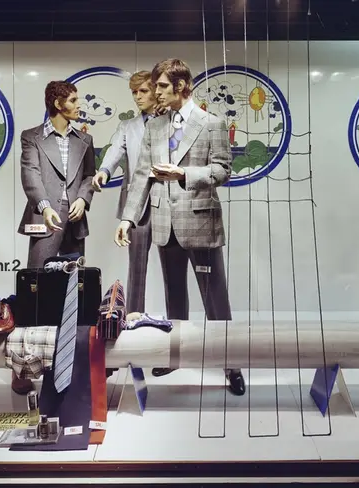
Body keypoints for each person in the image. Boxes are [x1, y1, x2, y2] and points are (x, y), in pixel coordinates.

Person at [114, 58, 245, 396]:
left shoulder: (212, 124)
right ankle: (176, 356)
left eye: (161, 86)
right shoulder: (155, 126)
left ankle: (231, 363)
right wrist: (128, 218)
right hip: (164, 223)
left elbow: (222, 170)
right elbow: (141, 176)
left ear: (182, 86)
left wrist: (184, 173)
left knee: (215, 299)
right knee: (175, 296)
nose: (156, 92)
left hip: (200, 222)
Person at [13, 80, 96, 394]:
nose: (78, 105)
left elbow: (88, 175)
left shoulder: (85, 139)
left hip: (75, 220)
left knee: (74, 293)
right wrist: (45, 206)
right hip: (44, 218)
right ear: (58, 104)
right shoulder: (31, 136)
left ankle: (70, 366)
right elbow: (30, 174)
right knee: (35, 292)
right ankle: (24, 367)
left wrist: (83, 199)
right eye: (73, 100)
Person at [92, 70, 161, 313]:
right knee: (137, 265)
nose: (138, 96)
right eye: (134, 92)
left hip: (169, 201)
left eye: (143, 91)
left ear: (156, 91)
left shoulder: (173, 122)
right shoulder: (127, 126)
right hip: (137, 204)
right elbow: (115, 150)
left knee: (174, 266)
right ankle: (133, 314)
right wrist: (104, 170)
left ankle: (177, 319)